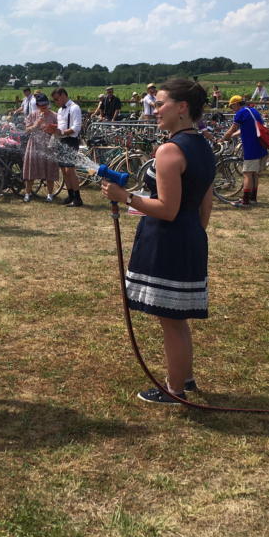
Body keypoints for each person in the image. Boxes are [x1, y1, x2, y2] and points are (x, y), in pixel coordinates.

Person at [100, 79, 214, 404]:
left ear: (182, 107)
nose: (153, 109)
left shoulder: (170, 150)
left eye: (160, 103)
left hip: (168, 240)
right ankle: (185, 379)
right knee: (177, 319)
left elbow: (167, 209)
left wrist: (125, 197)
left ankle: (174, 391)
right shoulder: (202, 145)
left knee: (171, 322)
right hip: (190, 236)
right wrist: (194, 234)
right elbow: (205, 205)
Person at [223, 95, 267, 207]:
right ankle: (252, 198)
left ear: (236, 104)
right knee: (253, 174)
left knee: (247, 173)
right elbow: (242, 130)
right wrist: (231, 136)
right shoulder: (252, 110)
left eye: (231, 106)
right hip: (260, 145)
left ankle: (245, 201)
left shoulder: (241, 113)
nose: (231, 109)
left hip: (251, 147)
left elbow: (231, 130)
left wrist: (223, 139)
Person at [22, 91, 60, 202]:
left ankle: (50, 194)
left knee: (50, 169)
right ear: (37, 105)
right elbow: (27, 131)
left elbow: (58, 131)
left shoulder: (54, 115)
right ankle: (27, 194)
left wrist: (53, 130)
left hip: (49, 145)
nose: (44, 107)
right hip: (34, 145)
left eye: (46, 105)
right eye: (41, 105)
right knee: (30, 171)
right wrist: (37, 124)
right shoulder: (32, 115)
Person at [49, 87, 83, 207]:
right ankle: (70, 196)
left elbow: (76, 127)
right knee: (64, 170)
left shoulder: (74, 108)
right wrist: (53, 129)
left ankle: (78, 198)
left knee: (70, 170)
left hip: (71, 140)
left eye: (56, 99)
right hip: (61, 140)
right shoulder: (60, 110)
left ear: (63, 95)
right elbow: (61, 125)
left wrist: (62, 132)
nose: (56, 102)